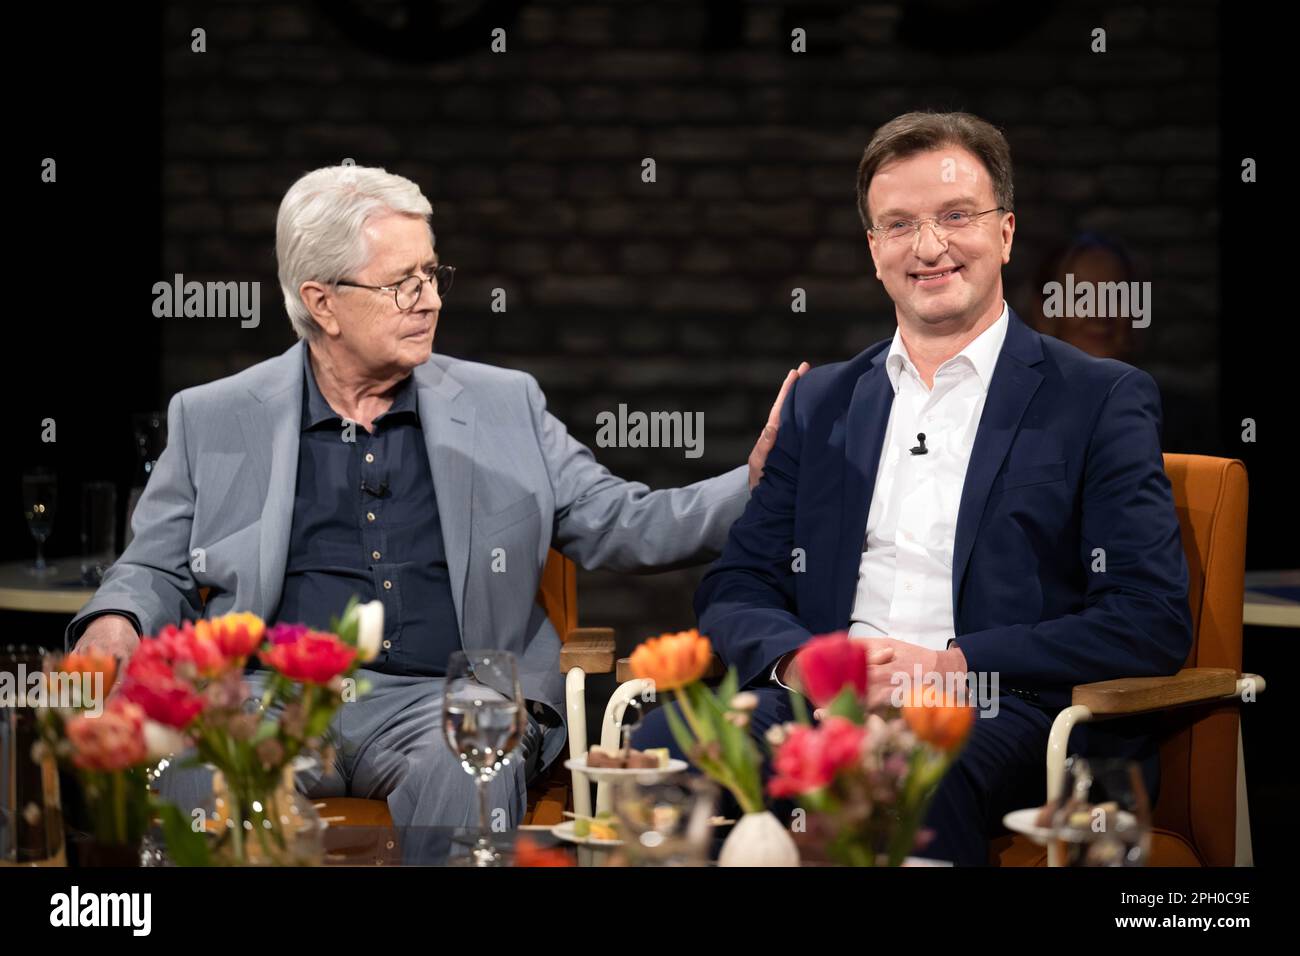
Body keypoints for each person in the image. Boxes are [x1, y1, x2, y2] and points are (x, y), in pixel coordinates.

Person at [67, 165, 806, 831]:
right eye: (401, 283)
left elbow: (623, 521)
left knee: (464, 764)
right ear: (322, 303)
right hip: (268, 701)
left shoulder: (503, 404)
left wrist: (757, 483)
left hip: (451, 697)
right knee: (197, 769)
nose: (428, 300)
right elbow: (154, 567)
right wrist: (115, 622)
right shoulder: (216, 416)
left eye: (432, 274)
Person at [633, 111, 1192, 865]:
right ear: (874, 251)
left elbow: (1147, 619)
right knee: (666, 740)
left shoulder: (1098, 398)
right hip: (827, 701)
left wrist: (952, 666)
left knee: (906, 777)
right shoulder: (821, 401)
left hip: (1001, 705)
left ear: (1005, 233)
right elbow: (737, 585)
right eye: (899, 225)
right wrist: (807, 664)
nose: (929, 247)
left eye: (956, 216)